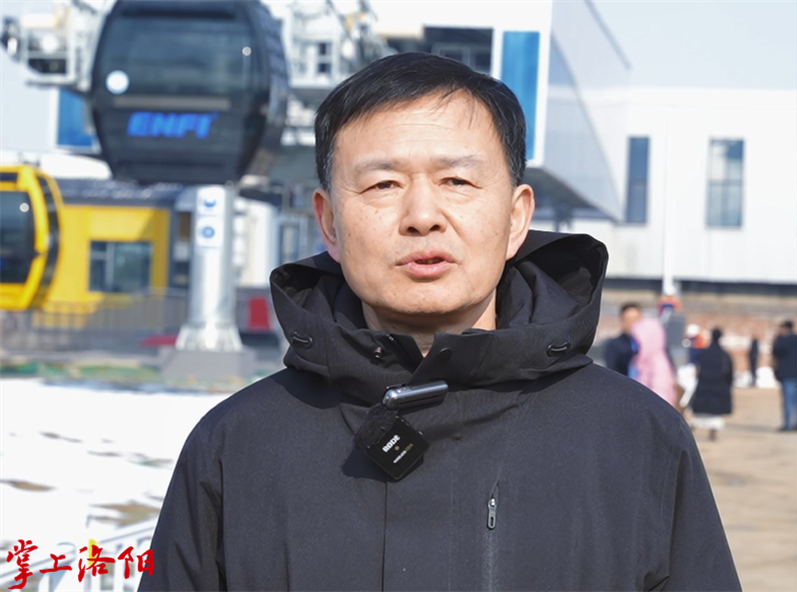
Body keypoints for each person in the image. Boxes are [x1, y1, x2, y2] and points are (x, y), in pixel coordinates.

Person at [140, 53, 740, 591]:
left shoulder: (636, 439)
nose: (422, 215)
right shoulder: (237, 446)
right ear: (329, 223)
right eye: (383, 184)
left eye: (456, 181)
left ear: (516, 217)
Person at [691, 328, 734, 441]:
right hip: (718, 388)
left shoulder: (704, 353)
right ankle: (713, 433)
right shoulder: (724, 355)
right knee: (715, 413)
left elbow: (697, 369)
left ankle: (691, 431)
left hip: (704, 387)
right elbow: (729, 374)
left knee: (700, 413)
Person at [630, 317, 678, 407]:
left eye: (638, 340)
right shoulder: (641, 362)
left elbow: (661, 400)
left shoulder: (659, 365)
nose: (635, 344)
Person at [773, 320, 797, 431]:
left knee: (788, 400)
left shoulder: (782, 341)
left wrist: (777, 338)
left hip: (787, 374)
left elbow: (775, 351)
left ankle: (788, 424)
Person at [603, 302, 641, 375]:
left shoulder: (651, 344)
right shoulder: (614, 345)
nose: (634, 323)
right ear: (623, 320)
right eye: (629, 319)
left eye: (636, 319)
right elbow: (612, 371)